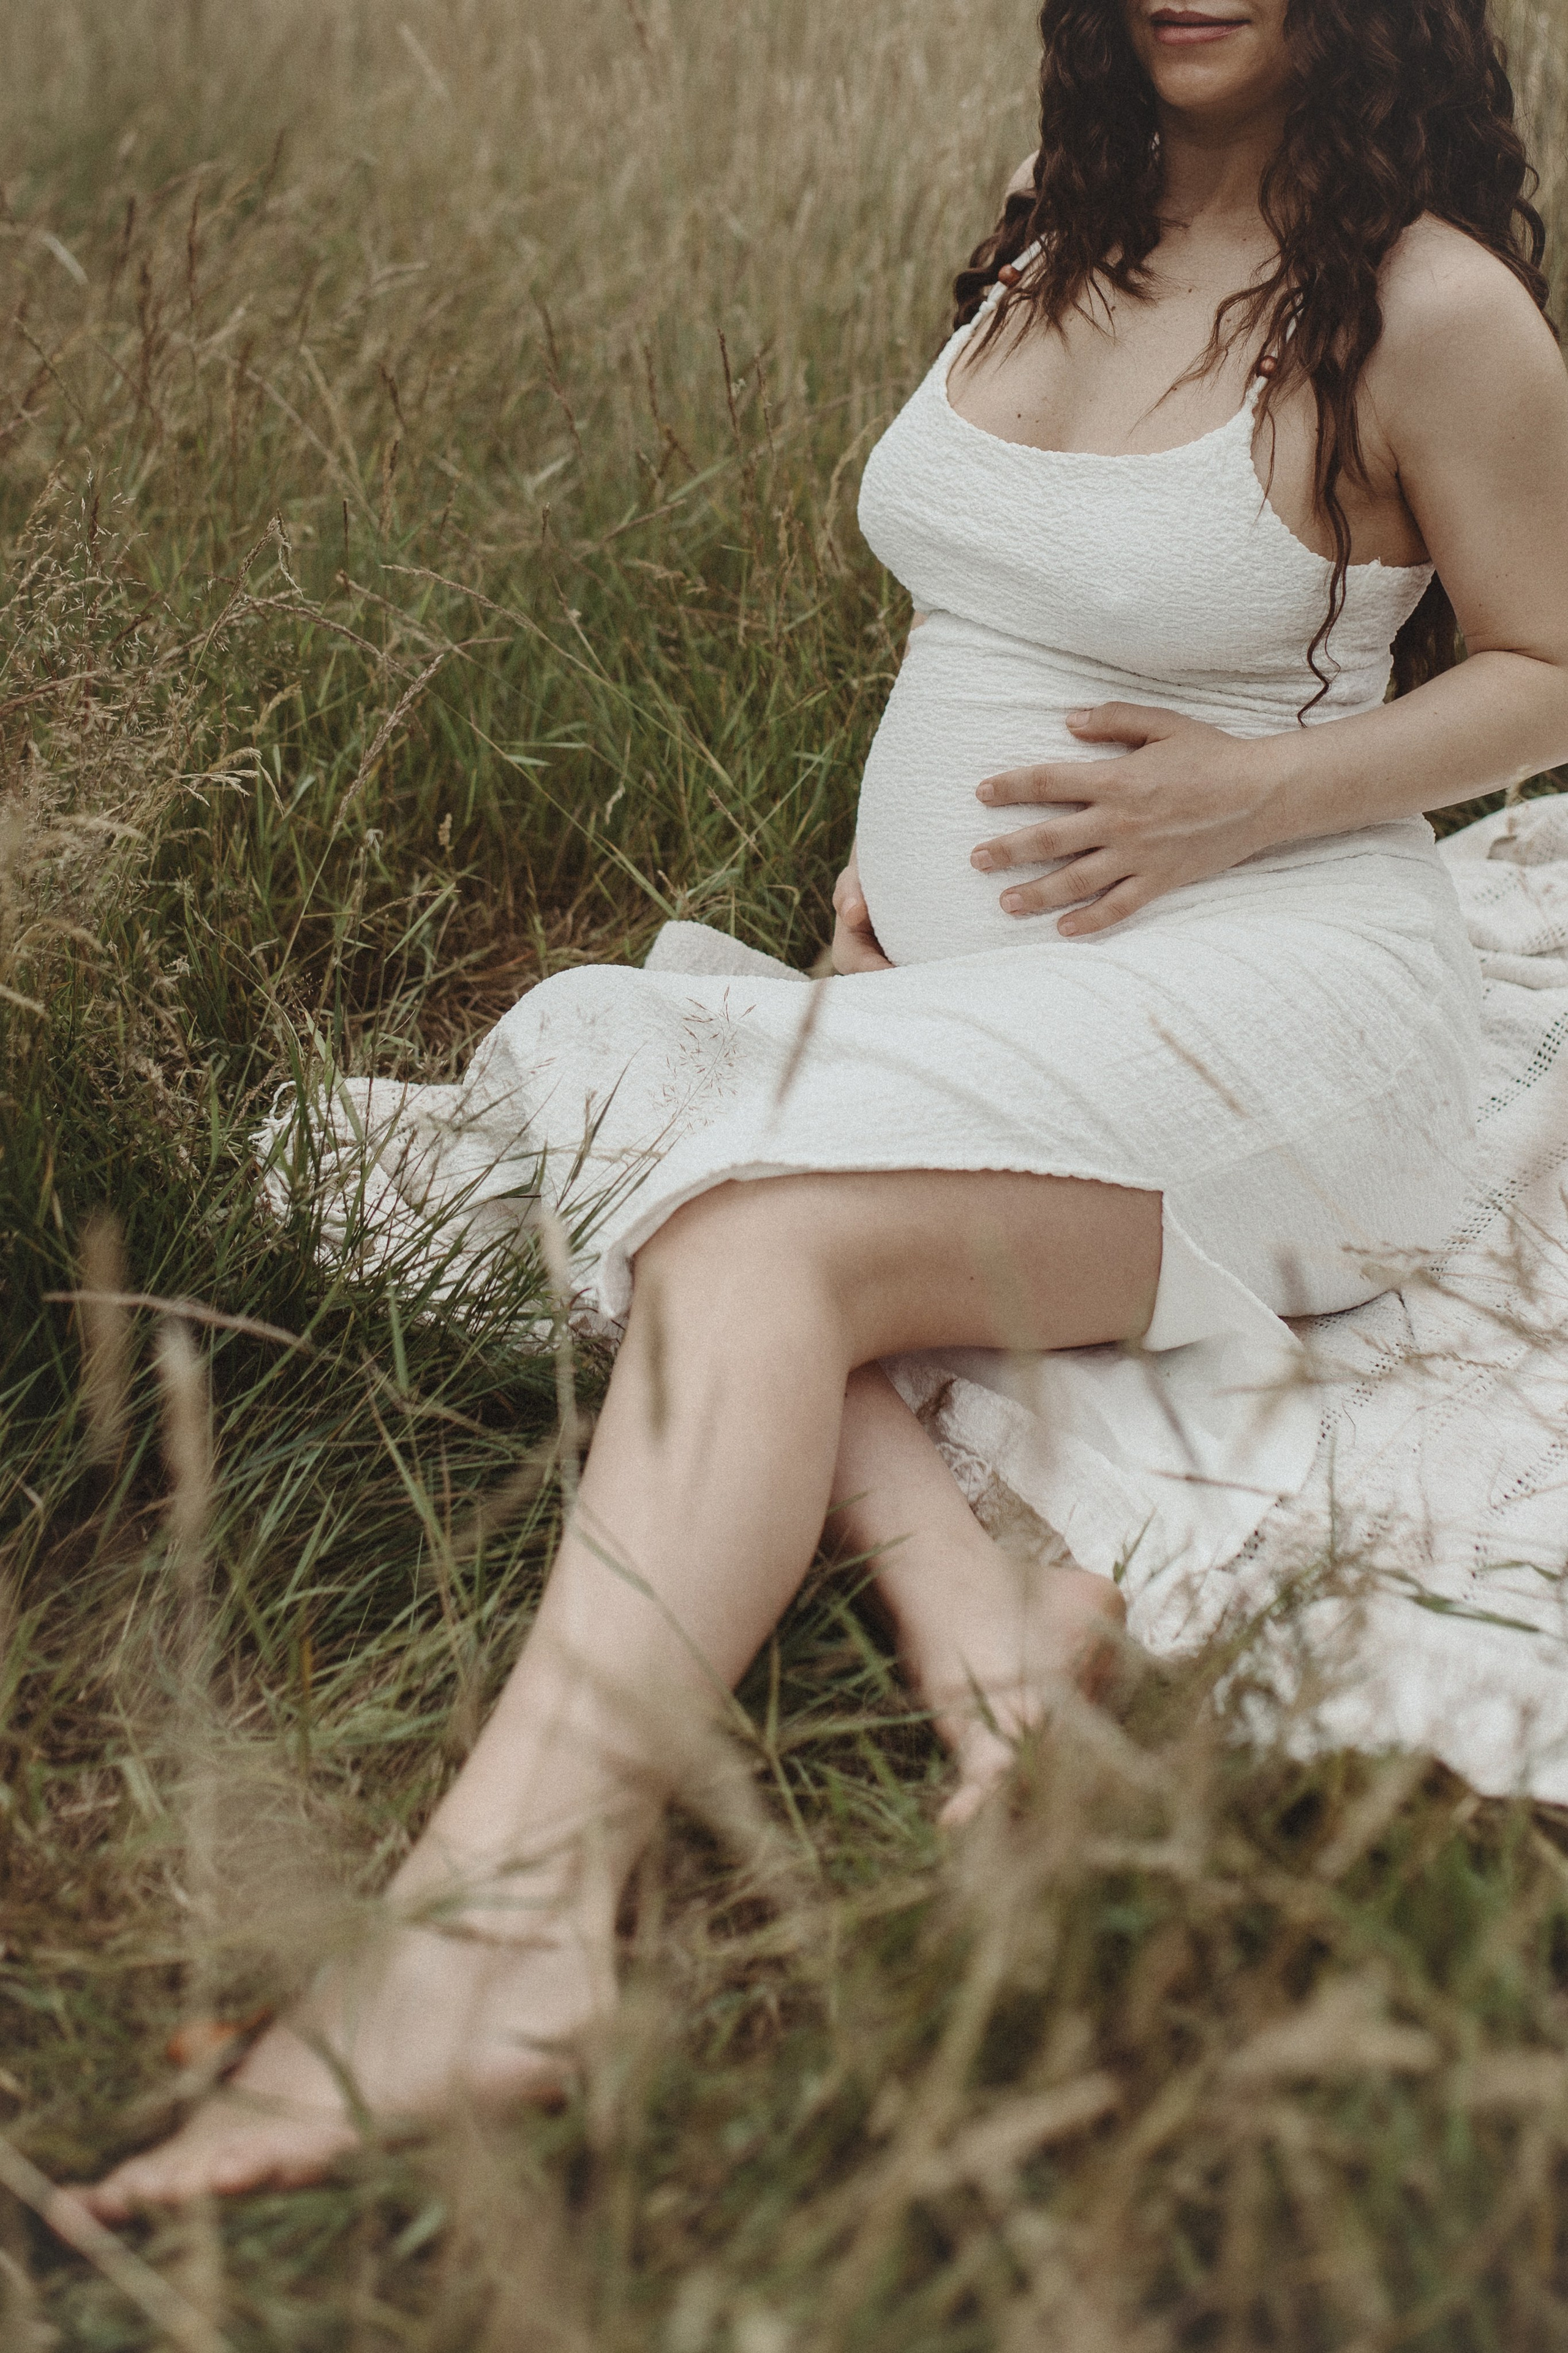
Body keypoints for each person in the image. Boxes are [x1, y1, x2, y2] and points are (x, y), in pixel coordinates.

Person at [83, 0, 1568, 2213]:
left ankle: (499, 1945)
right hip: (989, 983)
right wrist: (921, 934)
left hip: (1297, 1011)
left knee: (738, 1227)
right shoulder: (1052, 240)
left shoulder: (1431, 306)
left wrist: (1254, 793)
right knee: (609, 1060)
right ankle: (975, 1625)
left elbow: (1550, 667)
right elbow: (978, 631)